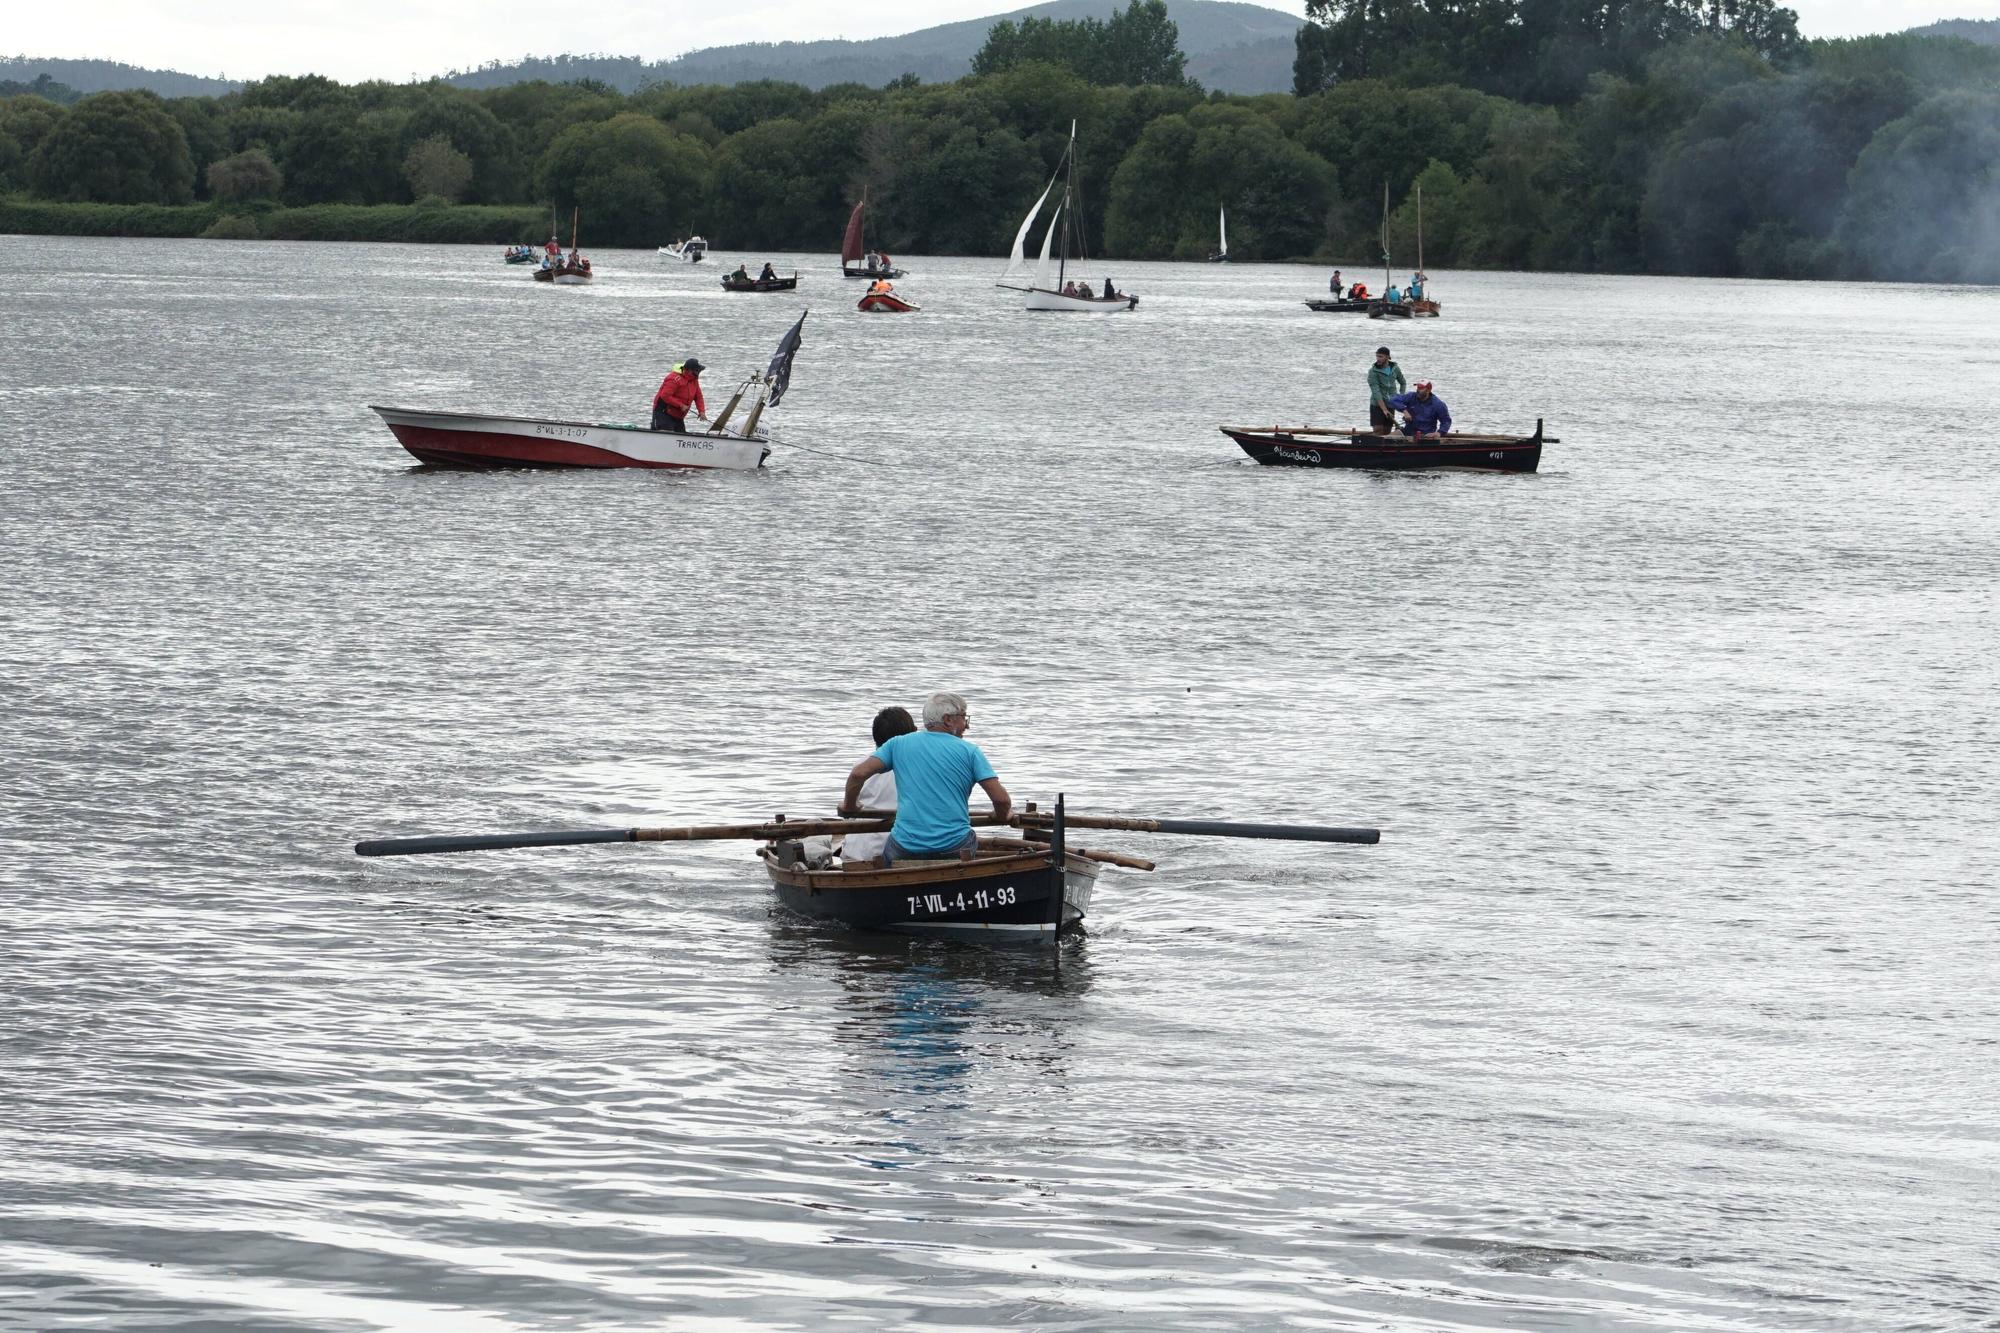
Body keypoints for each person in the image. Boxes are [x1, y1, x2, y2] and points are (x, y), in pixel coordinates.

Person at [839, 692, 1011, 865]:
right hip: (955, 846)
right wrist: (1002, 816)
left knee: (889, 852)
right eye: (963, 718)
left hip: (905, 847)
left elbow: (858, 774)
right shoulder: (971, 752)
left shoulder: (897, 743)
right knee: (968, 837)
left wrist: (849, 806)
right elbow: (1001, 800)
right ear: (948, 720)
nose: (966, 725)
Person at [839, 706, 919, 865]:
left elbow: (850, 806)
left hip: (861, 852)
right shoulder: (921, 766)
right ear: (913, 734)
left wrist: (849, 807)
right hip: (906, 850)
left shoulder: (862, 765)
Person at [651, 357, 707, 433]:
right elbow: (665, 395)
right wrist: (680, 405)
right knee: (666, 435)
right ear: (690, 371)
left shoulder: (694, 380)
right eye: (697, 370)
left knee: (681, 436)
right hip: (663, 413)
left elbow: (698, 397)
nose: (698, 373)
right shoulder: (674, 379)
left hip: (678, 416)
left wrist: (701, 411)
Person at [1387, 381, 1452, 438]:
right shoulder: (1411, 396)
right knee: (1385, 440)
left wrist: (1439, 433)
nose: (1418, 390)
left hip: (1425, 436)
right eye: (1418, 388)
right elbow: (1392, 400)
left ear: (1428, 390)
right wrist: (1404, 410)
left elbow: (1446, 421)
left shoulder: (1438, 404)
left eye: (1421, 388)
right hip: (1407, 432)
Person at [1367, 346, 1406, 435]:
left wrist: (1401, 397)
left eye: (1381, 356)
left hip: (1391, 403)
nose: (1378, 359)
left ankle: (1385, 448)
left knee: (1387, 431)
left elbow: (1403, 382)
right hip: (1377, 404)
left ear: (1387, 357)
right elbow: (1376, 392)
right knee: (1378, 430)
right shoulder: (1373, 371)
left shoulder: (1395, 368)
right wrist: (1384, 409)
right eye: (1377, 356)